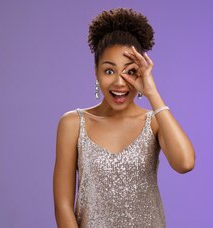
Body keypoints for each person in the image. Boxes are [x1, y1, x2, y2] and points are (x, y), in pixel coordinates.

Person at [53, 8, 196, 227]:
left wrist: (152, 94)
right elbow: (63, 206)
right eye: (109, 71)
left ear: (141, 73)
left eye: (129, 71)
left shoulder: (154, 122)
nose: (120, 83)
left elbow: (185, 163)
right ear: (96, 72)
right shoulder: (73, 124)